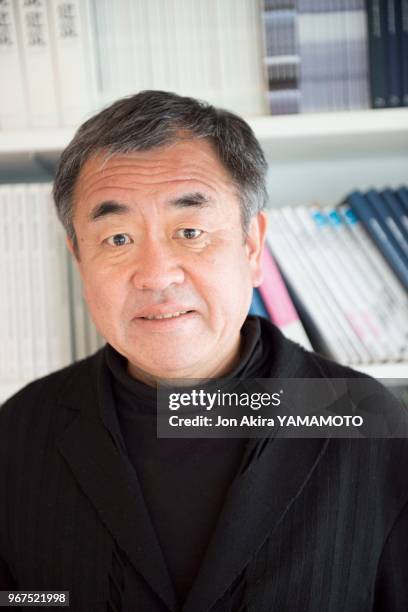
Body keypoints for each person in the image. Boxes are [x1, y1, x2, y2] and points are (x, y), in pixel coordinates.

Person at [0, 90, 407, 612]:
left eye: (189, 231)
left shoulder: (370, 427)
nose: (156, 275)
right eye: (117, 239)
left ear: (252, 247)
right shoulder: (19, 433)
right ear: (79, 258)